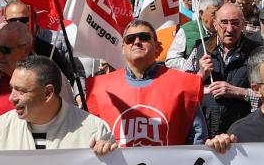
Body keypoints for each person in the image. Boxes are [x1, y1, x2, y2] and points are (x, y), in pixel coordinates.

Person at [86, 17, 203, 146]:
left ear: (158, 47)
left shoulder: (184, 84)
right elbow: (90, 137)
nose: (137, 42)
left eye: (144, 37)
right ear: (123, 49)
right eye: (130, 39)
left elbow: (197, 138)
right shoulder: (99, 88)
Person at [198, 1, 261, 139]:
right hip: (205, 133)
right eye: (224, 22)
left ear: (243, 25)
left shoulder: (257, 52)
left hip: (241, 133)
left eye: (235, 23)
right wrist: (200, 76)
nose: (230, 29)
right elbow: (183, 91)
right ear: (215, 24)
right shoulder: (200, 49)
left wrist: (237, 92)